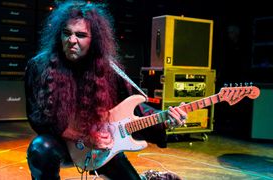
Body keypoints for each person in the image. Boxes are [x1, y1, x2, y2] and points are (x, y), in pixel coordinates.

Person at [24, 1, 187, 179]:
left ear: (94, 39)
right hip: (63, 142)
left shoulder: (108, 69)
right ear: (59, 35)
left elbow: (136, 109)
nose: (71, 40)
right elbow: (38, 118)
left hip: (102, 147)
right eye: (66, 33)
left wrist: (165, 119)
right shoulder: (39, 66)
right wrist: (83, 137)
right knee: (41, 149)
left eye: (80, 35)